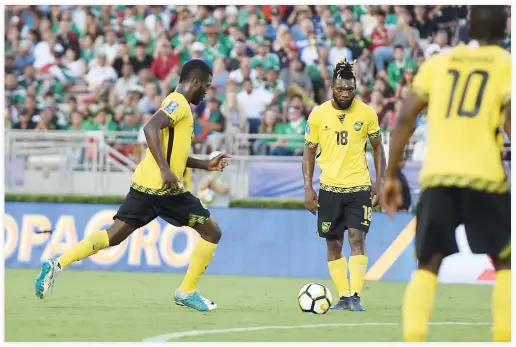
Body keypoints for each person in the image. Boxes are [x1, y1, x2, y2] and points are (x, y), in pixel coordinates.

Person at [34, 59, 231, 313]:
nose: (206, 91)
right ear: (195, 81)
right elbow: (149, 127)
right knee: (212, 232)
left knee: (112, 235)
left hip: (145, 186)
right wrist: (164, 169)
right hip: (165, 190)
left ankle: (56, 264)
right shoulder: (178, 103)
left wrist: (206, 165)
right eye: (206, 85)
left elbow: (175, 155)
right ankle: (187, 291)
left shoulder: (177, 103)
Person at [381, 6, 511, 342]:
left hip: (438, 177)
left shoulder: (437, 64)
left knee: (427, 264)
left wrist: (391, 175)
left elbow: (406, 118)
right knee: (504, 264)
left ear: (468, 25)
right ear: (505, 28)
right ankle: (504, 336)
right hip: (486, 175)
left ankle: (414, 338)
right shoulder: (506, 64)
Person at [302, 59, 386, 312]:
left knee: (357, 238)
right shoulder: (317, 115)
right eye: (341, 89)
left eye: (350, 89)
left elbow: (378, 147)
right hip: (329, 188)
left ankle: (356, 296)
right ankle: (344, 295)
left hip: (359, 187)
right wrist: (308, 186)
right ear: (331, 88)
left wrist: (379, 181)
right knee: (333, 243)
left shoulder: (367, 113)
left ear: (355, 88)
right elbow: (308, 152)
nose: (346, 93)